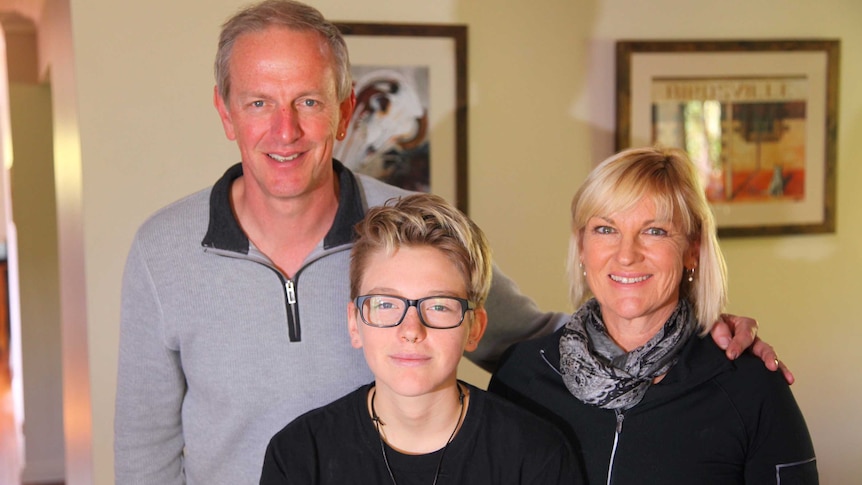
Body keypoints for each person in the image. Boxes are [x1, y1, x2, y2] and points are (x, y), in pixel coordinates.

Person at [113, 1, 781, 483]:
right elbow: (145, 452)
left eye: (309, 102)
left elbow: (549, 341)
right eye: (259, 102)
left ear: (346, 110)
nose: (284, 130)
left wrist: (691, 326)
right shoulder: (160, 252)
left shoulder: (416, 231)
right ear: (225, 111)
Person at [489, 147, 817, 484]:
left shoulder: (751, 387)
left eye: (654, 231)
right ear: (582, 246)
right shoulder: (522, 376)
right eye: (605, 229)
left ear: (692, 249)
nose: (626, 254)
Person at [260, 193, 583, 484]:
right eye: (386, 304)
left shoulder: (536, 455)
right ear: (354, 323)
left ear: (474, 328)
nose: (411, 330)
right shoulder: (299, 455)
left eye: (439, 306)